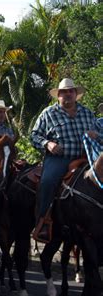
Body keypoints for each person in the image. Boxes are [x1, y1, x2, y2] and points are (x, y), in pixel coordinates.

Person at [31, 78, 99, 243]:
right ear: (58, 96)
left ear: (76, 94)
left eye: (71, 91)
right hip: (59, 159)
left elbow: (100, 134)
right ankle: (43, 221)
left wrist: (97, 136)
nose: (68, 94)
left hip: (86, 157)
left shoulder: (87, 112)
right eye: (64, 92)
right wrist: (48, 143)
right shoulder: (48, 113)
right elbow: (34, 135)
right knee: (47, 181)